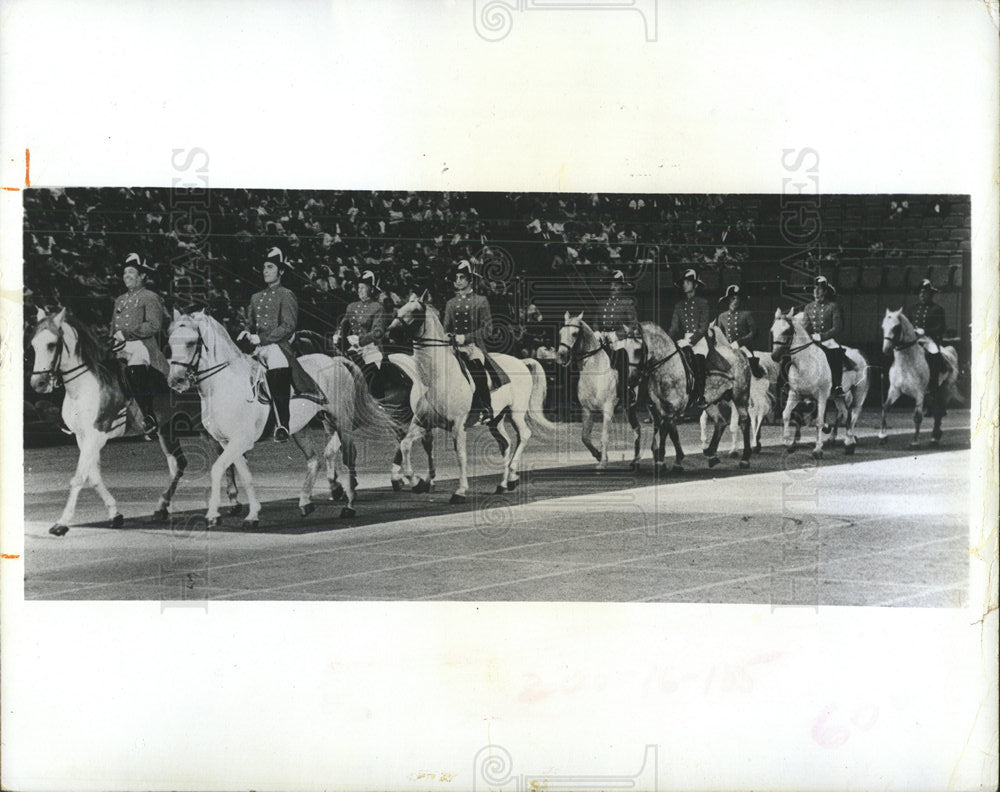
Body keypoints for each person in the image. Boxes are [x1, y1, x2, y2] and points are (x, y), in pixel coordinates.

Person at [239, 247, 323, 443]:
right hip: (256, 346)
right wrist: (246, 333)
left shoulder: (287, 294)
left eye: (270, 267)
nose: (265, 271)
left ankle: (282, 423)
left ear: (281, 271)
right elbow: (250, 324)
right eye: (264, 267)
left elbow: (289, 325)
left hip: (278, 345)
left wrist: (263, 339)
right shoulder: (256, 297)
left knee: (277, 365)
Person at [111, 253, 169, 439]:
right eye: (125, 272)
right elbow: (112, 327)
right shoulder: (119, 300)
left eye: (131, 271)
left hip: (142, 346)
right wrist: (112, 339)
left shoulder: (150, 297)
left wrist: (127, 334)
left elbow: (154, 325)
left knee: (134, 368)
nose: (126, 275)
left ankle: (148, 417)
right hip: (120, 345)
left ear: (142, 276)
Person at [443, 259, 493, 426]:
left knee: (476, 366)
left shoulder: (481, 301)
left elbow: (488, 329)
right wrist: (448, 337)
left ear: (470, 280)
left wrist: (466, 338)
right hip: (454, 346)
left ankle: (485, 408)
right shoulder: (450, 303)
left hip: (473, 346)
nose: (458, 281)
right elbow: (446, 328)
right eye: (456, 278)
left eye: (462, 277)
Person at [335, 270, 388, 395]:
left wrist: (360, 341)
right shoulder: (351, 306)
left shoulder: (378, 307)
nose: (359, 290)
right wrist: (337, 335)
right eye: (358, 287)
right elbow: (343, 324)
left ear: (371, 290)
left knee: (371, 371)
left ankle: (377, 398)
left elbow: (378, 332)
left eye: (363, 288)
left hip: (370, 346)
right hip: (352, 345)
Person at [594, 269, 640, 406]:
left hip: (621, 341)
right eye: (611, 284)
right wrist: (597, 332)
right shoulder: (602, 303)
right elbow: (596, 322)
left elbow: (633, 326)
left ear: (621, 287)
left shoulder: (627, 303)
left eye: (616, 285)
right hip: (604, 339)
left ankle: (624, 390)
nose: (613, 287)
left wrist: (617, 334)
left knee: (621, 358)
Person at [667, 268, 710, 409]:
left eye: (688, 282)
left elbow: (703, 328)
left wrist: (691, 341)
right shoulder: (679, 306)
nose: (685, 285)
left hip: (699, 341)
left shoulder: (703, 303)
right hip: (684, 340)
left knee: (698, 361)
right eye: (684, 282)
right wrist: (668, 340)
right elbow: (674, 328)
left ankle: (700, 396)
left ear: (695, 285)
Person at [802, 275, 852, 397]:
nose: (816, 292)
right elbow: (805, 326)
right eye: (814, 289)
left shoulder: (833, 306)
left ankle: (837, 385)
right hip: (813, 340)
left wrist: (822, 336)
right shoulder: (808, 307)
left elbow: (837, 327)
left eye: (819, 289)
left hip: (829, 341)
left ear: (824, 291)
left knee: (833, 354)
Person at [715, 284, 765, 378]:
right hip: (728, 347)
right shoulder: (722, 316)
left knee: (752, 366)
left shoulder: (747, 314)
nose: (735, 301)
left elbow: (754, 332)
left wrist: (740, 342)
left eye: (737, 298)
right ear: (728, 300)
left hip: (743, 348)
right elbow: (719, 334)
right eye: (732, 298)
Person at [910, 277, 948, 399]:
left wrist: (925, 331)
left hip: (929, 339)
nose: (922, 295)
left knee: (933, 351)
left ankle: (935, 377)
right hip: (915, 340)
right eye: (920, 293)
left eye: (925, 293)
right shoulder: (913, 309)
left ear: (930, 294)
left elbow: (941, 328)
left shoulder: (937, 309)